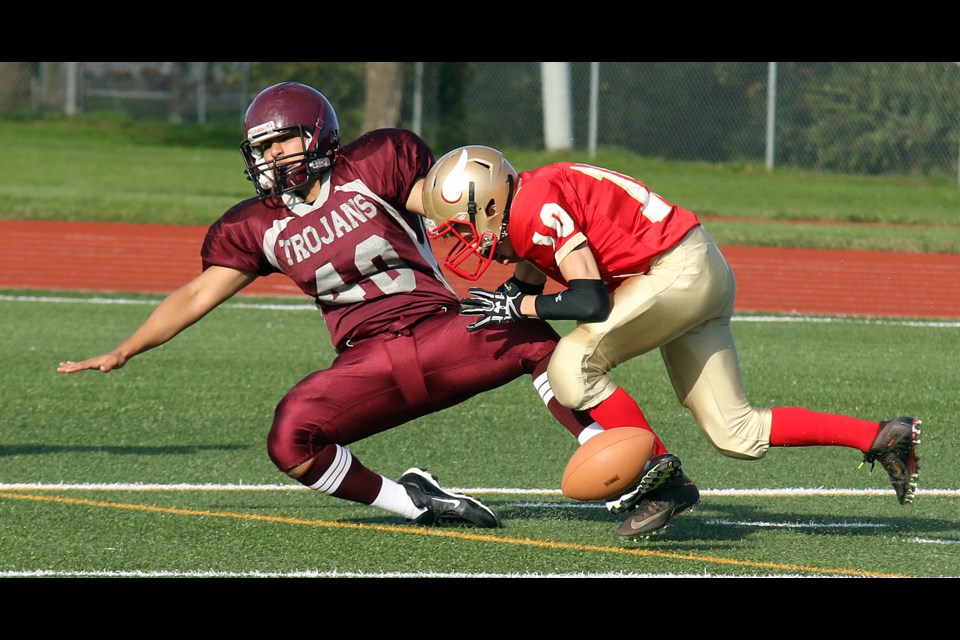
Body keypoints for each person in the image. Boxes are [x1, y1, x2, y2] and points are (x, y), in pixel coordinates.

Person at [55, 81, 625, 531]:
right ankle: (416, 503)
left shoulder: (375, 164)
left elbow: (460, 203)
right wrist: (126, 348)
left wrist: (542, 241)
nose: (271, 157)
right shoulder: (255, 225)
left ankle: (612, 455)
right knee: (289, 441)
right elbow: (198, 292)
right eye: (262, 148)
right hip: (367, 360)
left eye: (281, 142)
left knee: (527, 336)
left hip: (441, 330)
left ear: (319, 135)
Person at [419, 144, 923, 538]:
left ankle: (662, 474)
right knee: (736, 433)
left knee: (571, 368)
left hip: (675, 272)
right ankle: (881, 437)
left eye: (462, 226)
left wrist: (521, 306)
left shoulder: (534, 208)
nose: (461, 239)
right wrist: (509, 300)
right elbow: (533, 266)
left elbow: (590, 300)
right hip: (697, 266)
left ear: (487, 202)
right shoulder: (530, 197)